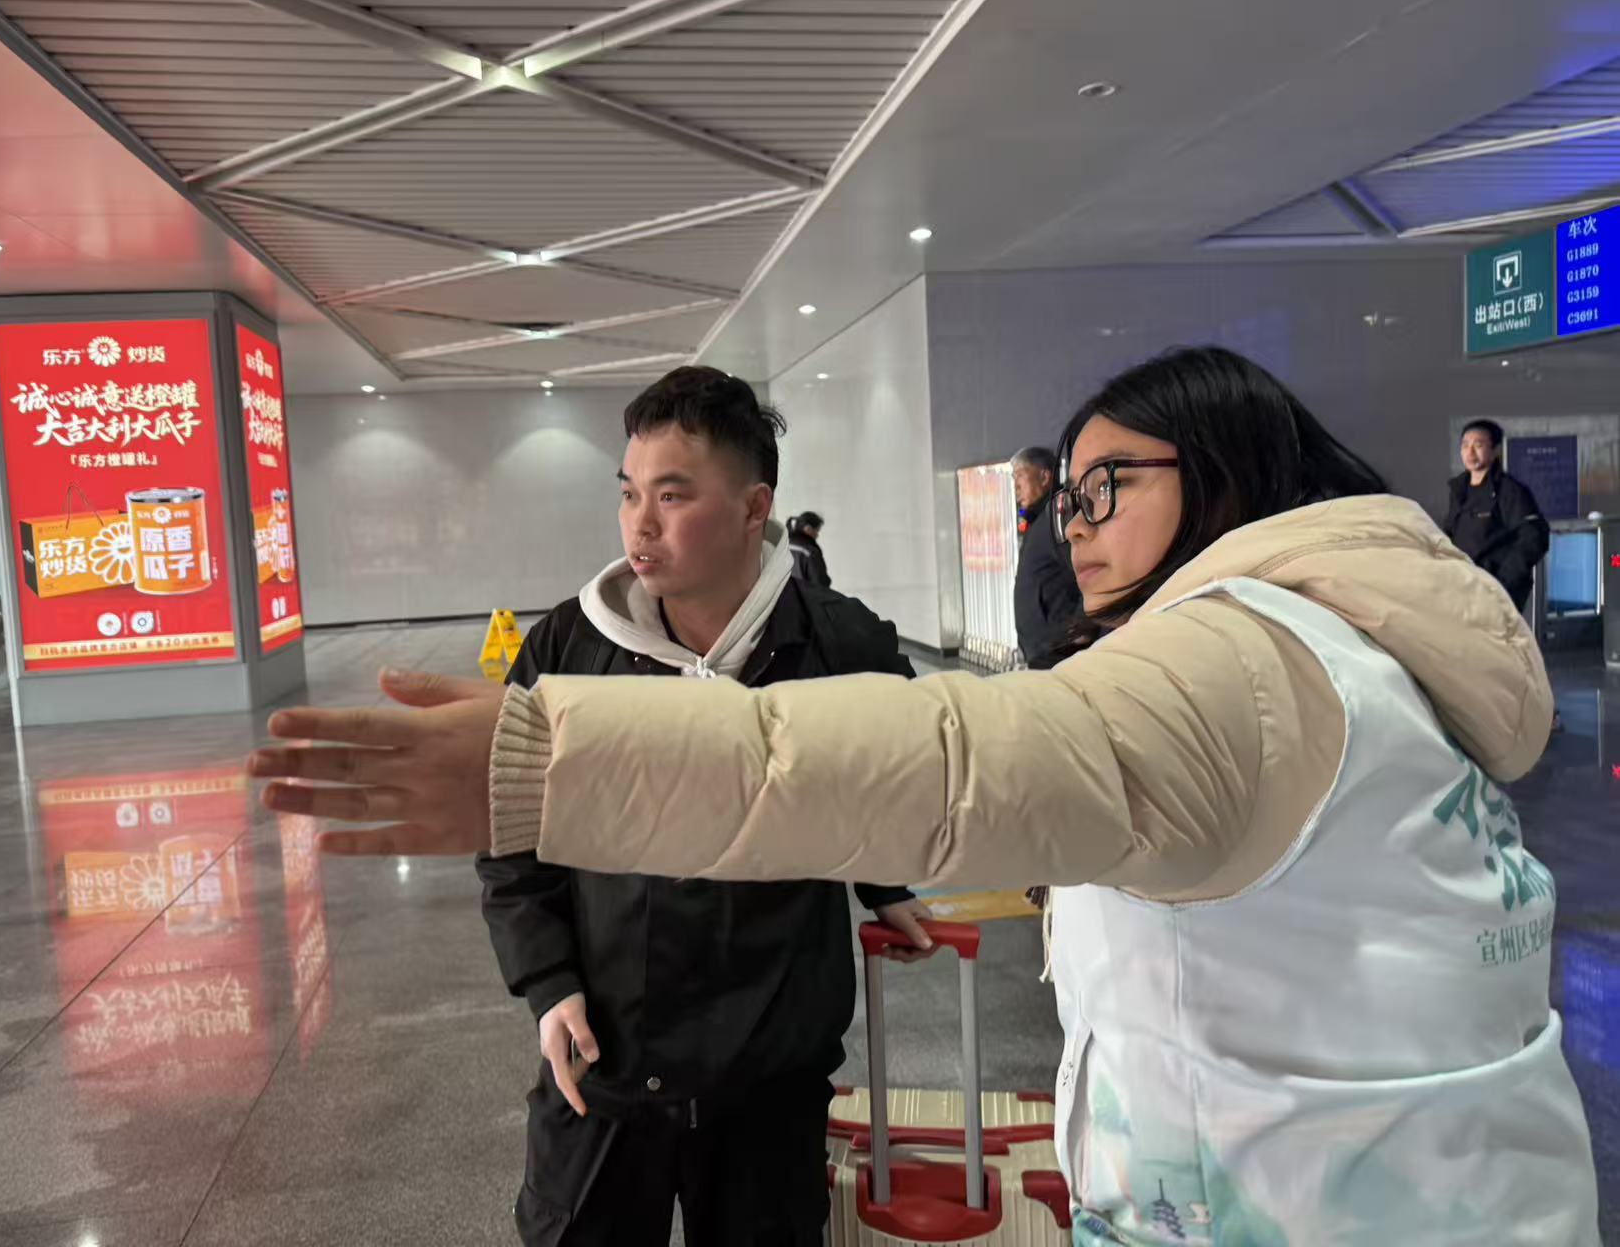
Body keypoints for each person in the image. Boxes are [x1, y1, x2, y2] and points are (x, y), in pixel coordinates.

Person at [252, 347, 1599, 1245]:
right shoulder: (1348, 651)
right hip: (617, 1056)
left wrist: (549, 763)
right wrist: (549, 979)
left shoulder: (1237, 663)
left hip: (1308, 1200)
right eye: (1067, 493)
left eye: (1106, 486)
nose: (1072, 523)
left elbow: (930, 762)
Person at [477, 366, 931, 1245]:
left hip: (768, 1070)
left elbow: (895, 776)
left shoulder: (837, 643)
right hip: (606, 1060)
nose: (639, 524)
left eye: (672, 495)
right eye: (629, 493)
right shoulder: (569, 646)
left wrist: (884, 884)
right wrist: (548, 982)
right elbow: (509, 832)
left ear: (755, 507)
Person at [1442, 418, 1549, 611]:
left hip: (1496, 593)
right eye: (1465, 445)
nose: (1470, 452)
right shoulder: (1459, 491)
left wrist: (1502, 581)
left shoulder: (1510, 491)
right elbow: (1449, 535)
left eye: (1478, 445)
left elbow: (1534, 538)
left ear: (1495, 450)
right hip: (1463, 588)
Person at [1011, 445, 1082, 669]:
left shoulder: (1058, 516)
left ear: (1044, 477)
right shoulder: (1039, 520)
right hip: (1043, 651)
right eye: (1014, 478)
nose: (1016, 486)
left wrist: (1080, 625)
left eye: (1020, 475)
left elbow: (1084, 569)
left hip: (1059, 653)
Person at [785, 511, 831, 588]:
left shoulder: (785, 546)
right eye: (816, 530)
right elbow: (820, 583)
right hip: (808, 594)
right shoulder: (809, 552)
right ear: (808, 529)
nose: (817, 535)